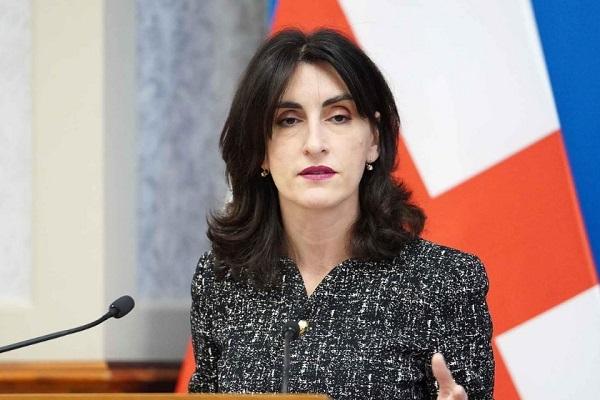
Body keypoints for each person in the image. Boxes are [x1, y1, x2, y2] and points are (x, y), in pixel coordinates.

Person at [188, 28, 494, 399]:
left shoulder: (443, 282)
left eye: (338, 117)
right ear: (260, 151)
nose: (315, 144)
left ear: (373, 140)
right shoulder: (221, 279)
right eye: (289, 120)